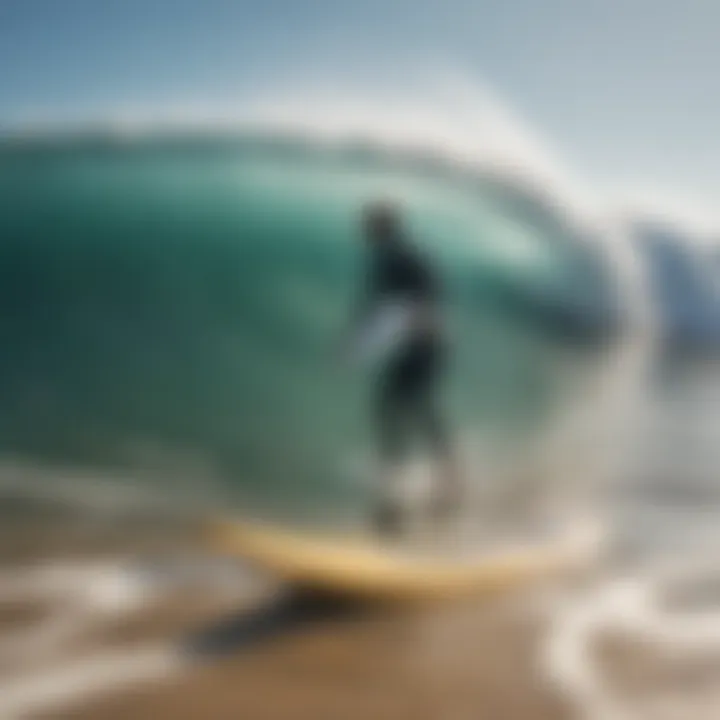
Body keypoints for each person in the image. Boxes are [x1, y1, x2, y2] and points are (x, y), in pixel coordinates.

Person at [341, 200, 459, 536]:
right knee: (403, 406)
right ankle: (420, 475)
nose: (363, 230)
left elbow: (427, 292)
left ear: (383, 226)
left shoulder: (401, 256)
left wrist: (420, 323)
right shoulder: (390, 257)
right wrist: (356, 341)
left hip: (425, 343)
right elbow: (378, 305)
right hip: (420, 343)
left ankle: (433, 477)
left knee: (405, 405)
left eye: (369, 224)